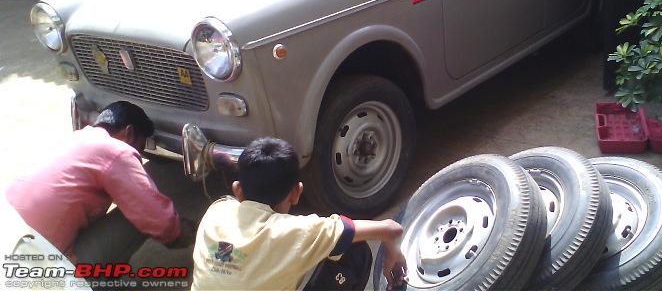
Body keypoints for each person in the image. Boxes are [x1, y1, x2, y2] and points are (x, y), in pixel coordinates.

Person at [192, 137, 408, 290]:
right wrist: (393, 257)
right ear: (297, 193)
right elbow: (391, 229)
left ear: (237, 189)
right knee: (354, 248)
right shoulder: (297, 232)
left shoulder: (216, 211)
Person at [4, 100, 195, 265]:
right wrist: (178, 233)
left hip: (9, 242)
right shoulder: (115, 151)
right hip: (46, 267)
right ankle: (97, 281)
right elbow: (151, 213)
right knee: (138, 214)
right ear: (129, 132)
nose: (139, 155)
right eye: (140, 147)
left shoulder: (76, 139)